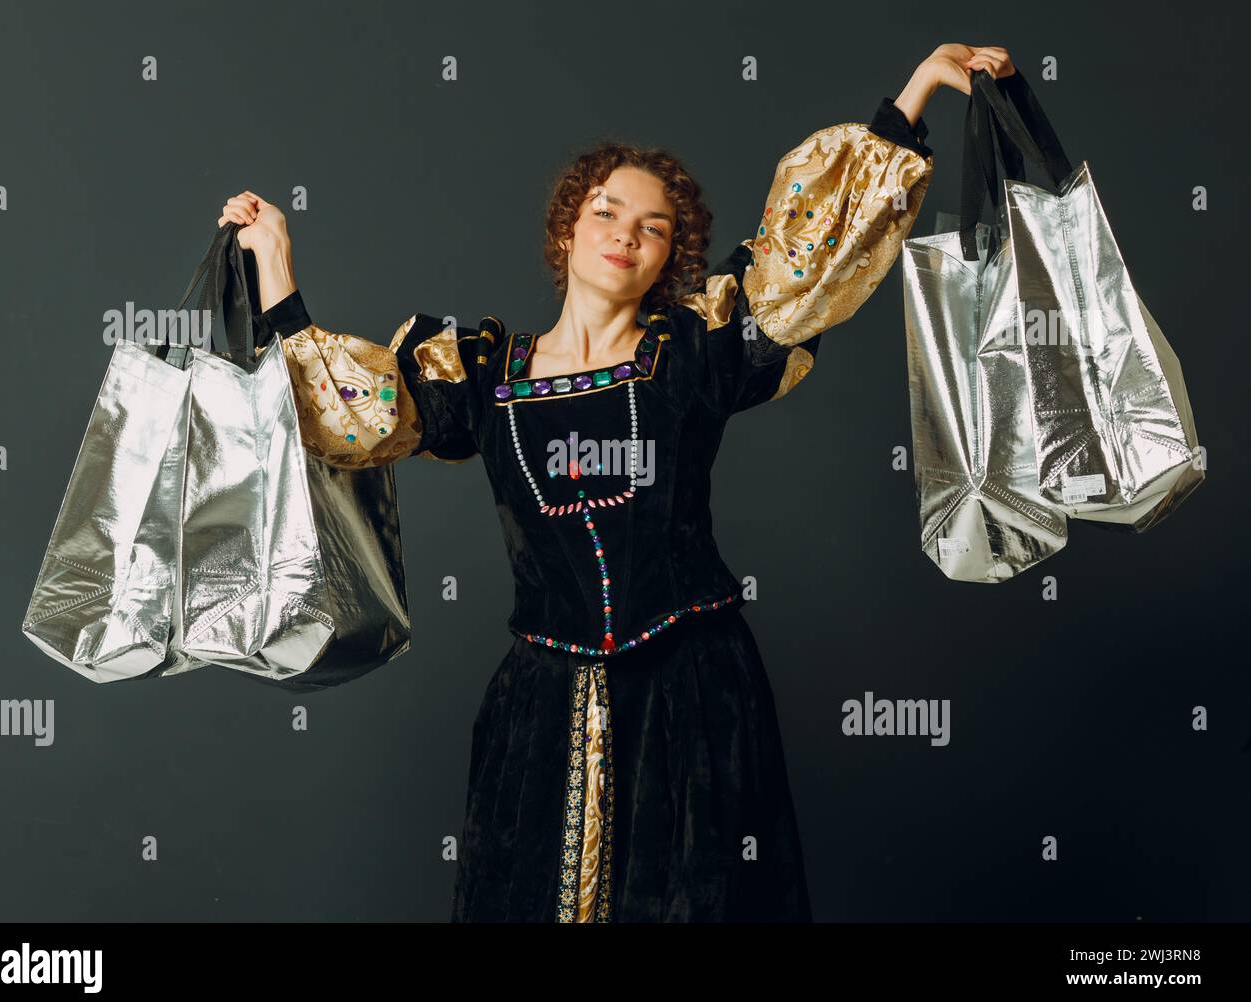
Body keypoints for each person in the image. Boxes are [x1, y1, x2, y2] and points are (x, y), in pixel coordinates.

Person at [219, 44, 1015, 922]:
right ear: (568, 233)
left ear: (669, 257)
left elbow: (809, 263)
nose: (626, 232)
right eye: (606, 211)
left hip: (693, 697)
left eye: (655, 225)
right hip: (541, 714)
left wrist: (913, 95)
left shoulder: (696, 352)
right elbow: (350, 415)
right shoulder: (483, 374)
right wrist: (276, 268)